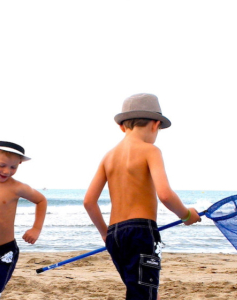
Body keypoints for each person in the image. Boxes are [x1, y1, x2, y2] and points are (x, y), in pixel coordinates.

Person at [83, 93, 201, 300]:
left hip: (115, 234)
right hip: (141, 232)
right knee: (144, 293)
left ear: (122, 126)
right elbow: (164, 194)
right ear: (155, 125)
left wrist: (105, 233)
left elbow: (89, 202)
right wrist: (187, 215)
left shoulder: (108, 157)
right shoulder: (150, 151)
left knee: (135, 290)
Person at [0, 141, 47, 300]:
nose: (7, 171)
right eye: (2, 165)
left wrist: (36, 228)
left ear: (19, 163)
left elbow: (41, 200)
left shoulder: (16, 187)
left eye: (13, 167)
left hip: (5, 251)